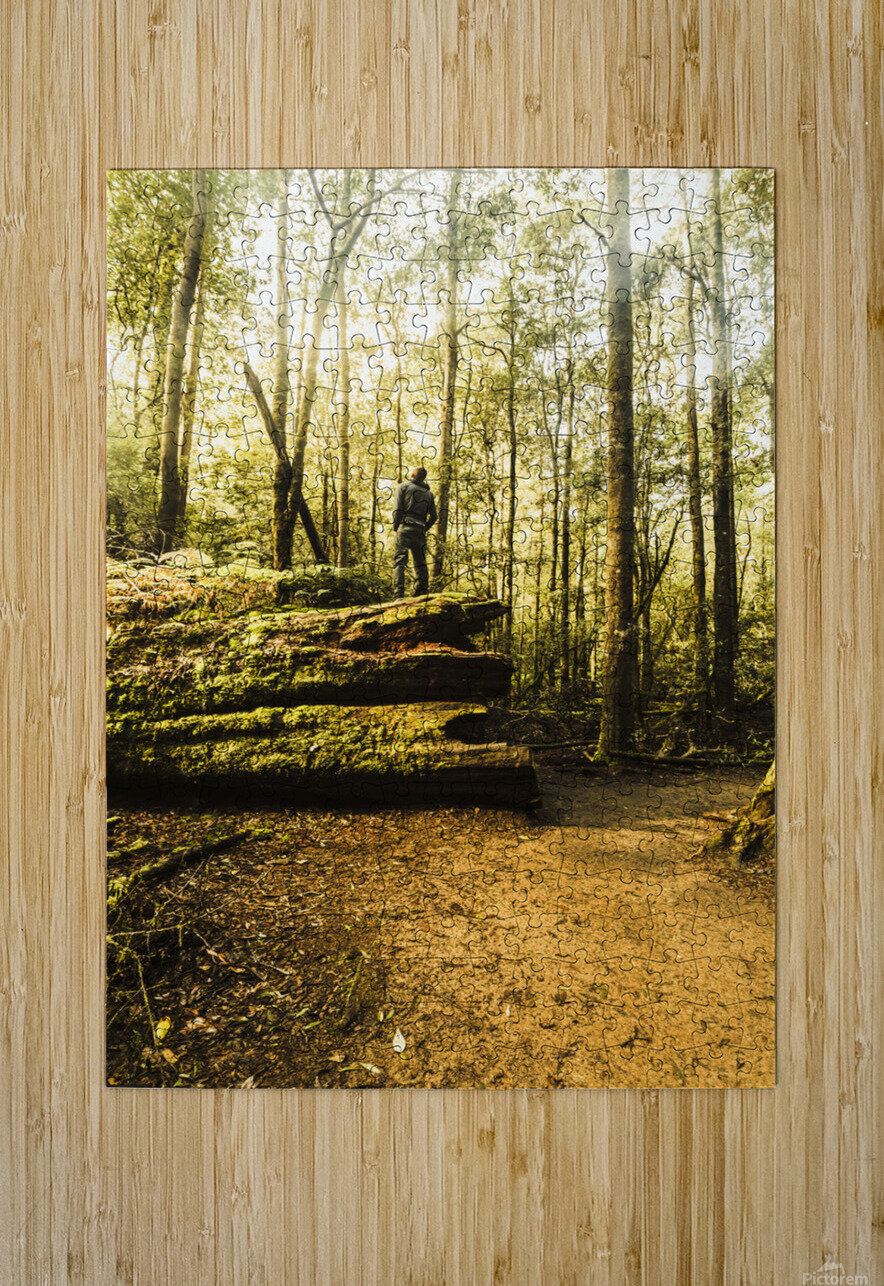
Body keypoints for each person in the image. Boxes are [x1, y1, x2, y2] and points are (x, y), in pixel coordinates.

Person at [392, 466, 437, 598]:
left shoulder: (403, 487)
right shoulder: (429, 494)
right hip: (420, 531)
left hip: (405, 528)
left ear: (411, 475)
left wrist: (396, 528)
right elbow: (434, 517)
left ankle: (398, 595)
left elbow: (398, 510)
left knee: (399, 561)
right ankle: (421, 593)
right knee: (420, 563)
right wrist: (424, 528)